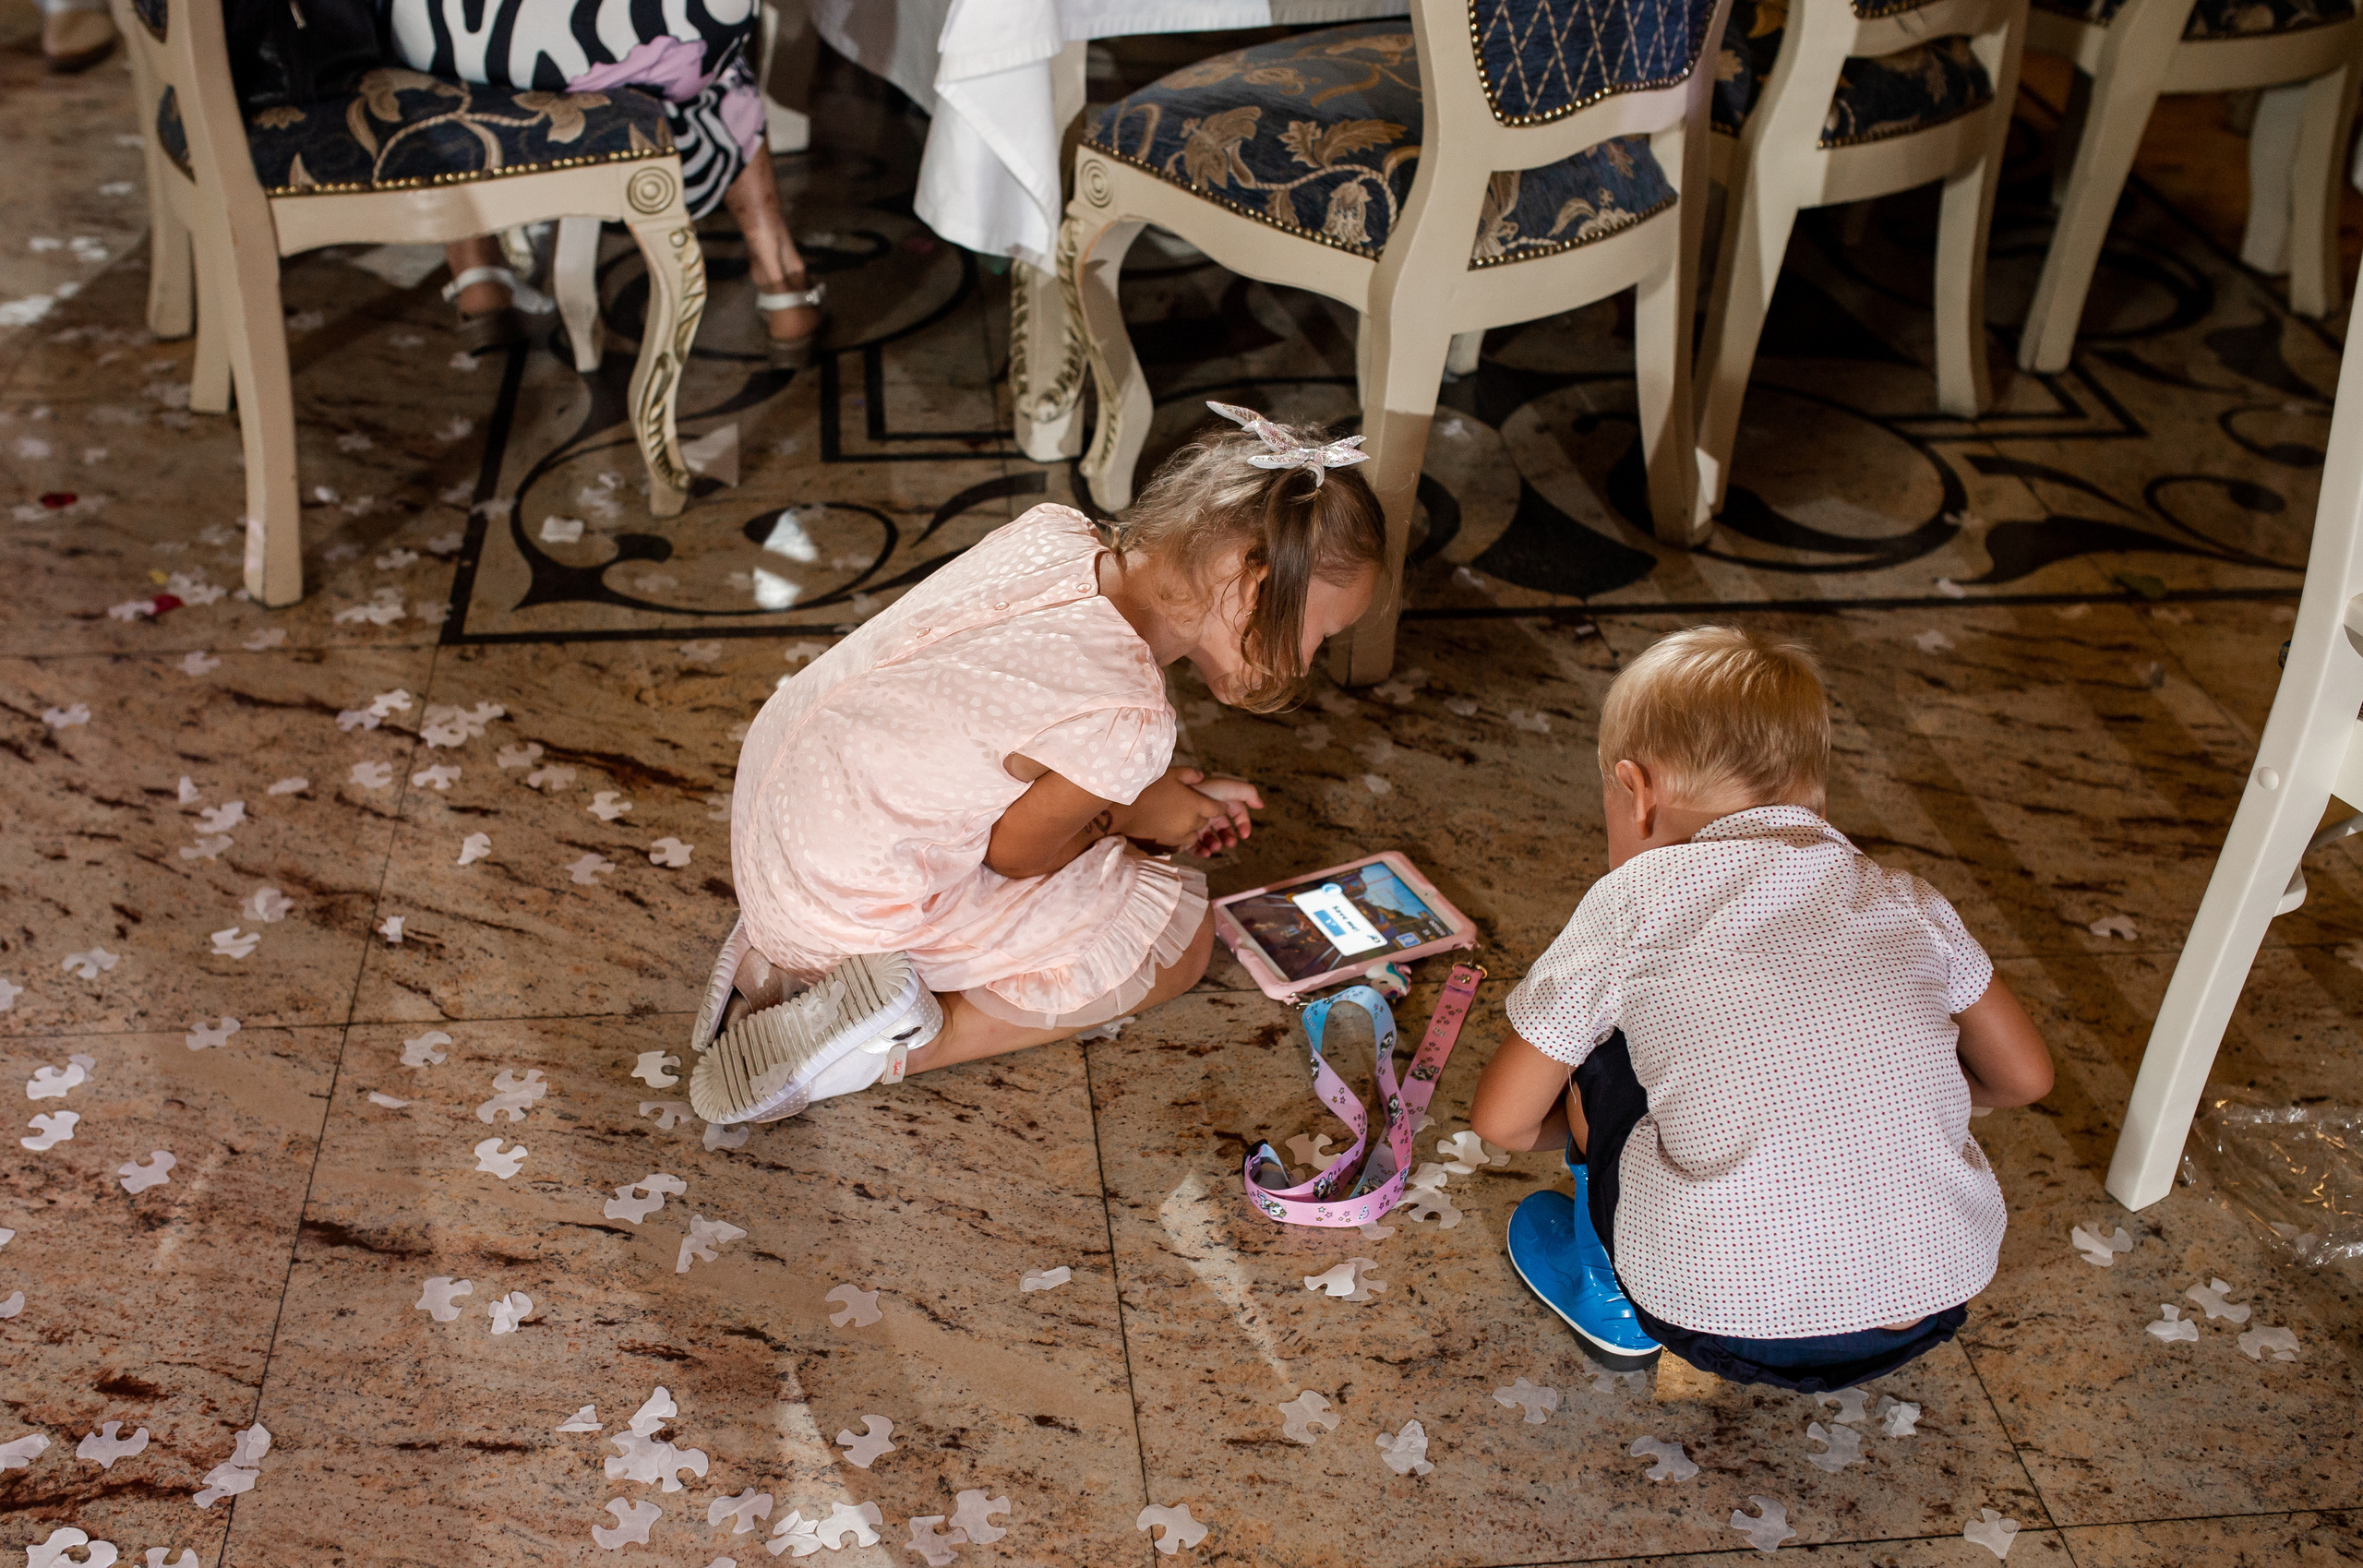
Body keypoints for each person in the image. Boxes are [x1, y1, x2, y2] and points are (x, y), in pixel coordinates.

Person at [690, 403, 1386, 1124]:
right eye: (1320, 635)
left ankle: (771, 964)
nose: (1308, 661)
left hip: (780, 821)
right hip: (845, 903)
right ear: (1253, 587)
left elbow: (992, 729)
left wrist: (1125, 797)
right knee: (1177, 935)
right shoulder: (1131, 718)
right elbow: (1017, 854)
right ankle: (889, 1043)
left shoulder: (1053, 532)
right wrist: (1128, 812)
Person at [1469, 626, 2052, 1391]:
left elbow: (1500, 1122)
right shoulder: (1907, 900)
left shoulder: (1630, 906)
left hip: (1707, 1313)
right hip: (1935, 1297)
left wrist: (1588, 1126)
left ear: (1637, 790)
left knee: (1593, 1055)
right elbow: (2025, 1079)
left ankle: (1604, 1283)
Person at [386, 0, 823, 363]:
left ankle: (477, 271)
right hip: (641, 27)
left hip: (453, 37)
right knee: (709, 64)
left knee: (433, 49)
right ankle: (780, 277)